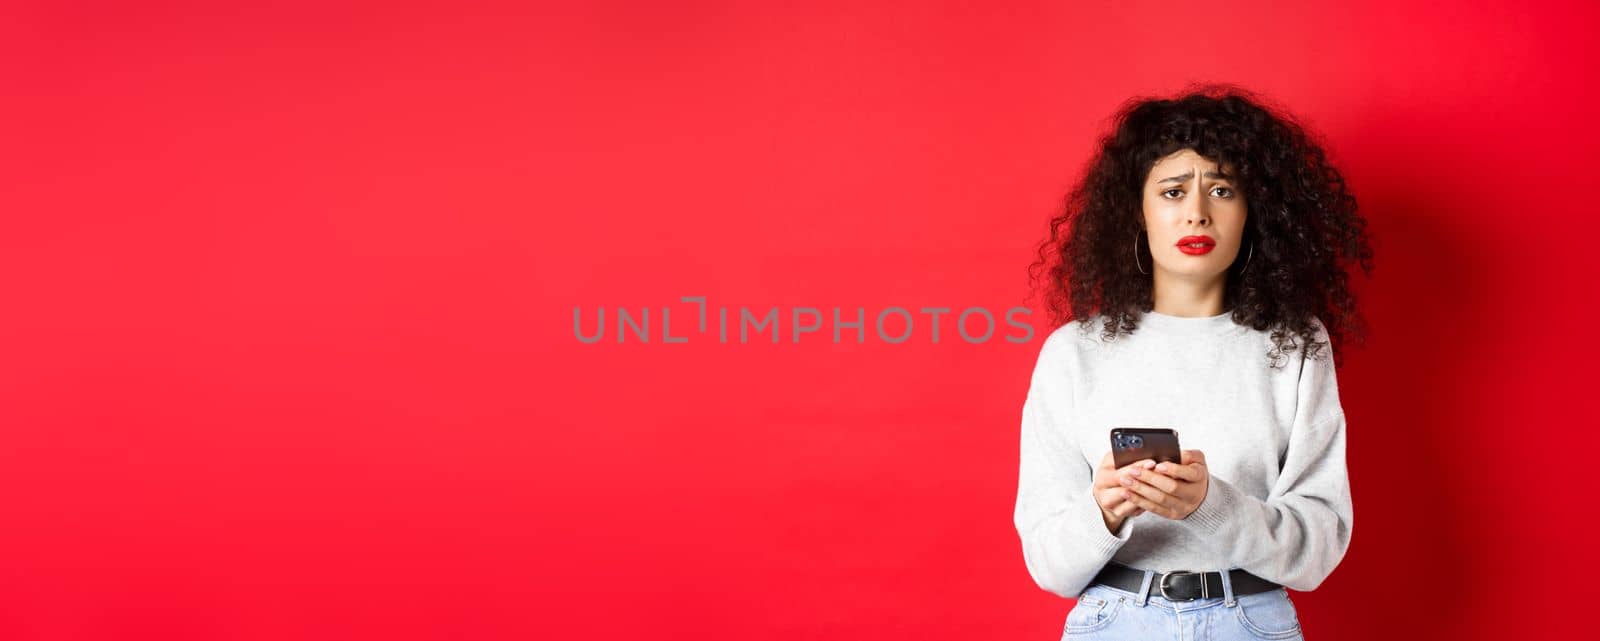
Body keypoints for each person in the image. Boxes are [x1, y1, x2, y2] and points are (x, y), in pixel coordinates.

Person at [1014, 84, 1374, 640]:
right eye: (1174, 191)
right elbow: (1050, 567)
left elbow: (1316, 550)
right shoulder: (1073, 353)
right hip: (1114, 622)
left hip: (1252, 622)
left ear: (1254, 212)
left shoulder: (1296, 345)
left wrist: (1210, 504)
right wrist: (1104, 512)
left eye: (1223, 189)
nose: (1198, 214)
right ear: (1137, 211)